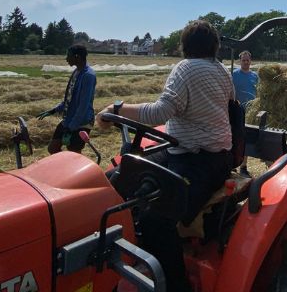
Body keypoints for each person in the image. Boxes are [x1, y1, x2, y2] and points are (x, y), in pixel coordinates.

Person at [96, 20, 234, 292]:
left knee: (155, 219)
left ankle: (176, 285)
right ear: (214, 46)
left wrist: (117, 108)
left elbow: (159, 113)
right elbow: (229, 104)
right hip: (198, 154)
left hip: (198, 162)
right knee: (116, 179)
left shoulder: (186, 68)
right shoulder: (221, 71)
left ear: (185, 46)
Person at [37, 44, 96, 154]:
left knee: (73, 152)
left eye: (68, 56)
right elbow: (70, 98)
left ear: (77, 57)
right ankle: (64, 169)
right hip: (69, 118)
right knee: (53, 148)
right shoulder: (76, 72)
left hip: (82, 122)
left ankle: (79, 170)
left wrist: (72, 126)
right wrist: (54, 110)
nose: (66, 59)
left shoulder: (88, 76)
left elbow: (83, 105)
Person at [232, 50, 258, 177]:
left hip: (251, 112)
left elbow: (258, 92)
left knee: (246, 139)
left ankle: (243, 166)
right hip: (237, 111)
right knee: (234, 138)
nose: (246, 62)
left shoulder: (255, 76)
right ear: (240, 61)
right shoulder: (234, 75)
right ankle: (232, 164)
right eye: (243, 60)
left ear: (250, 61)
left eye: (248, 60)